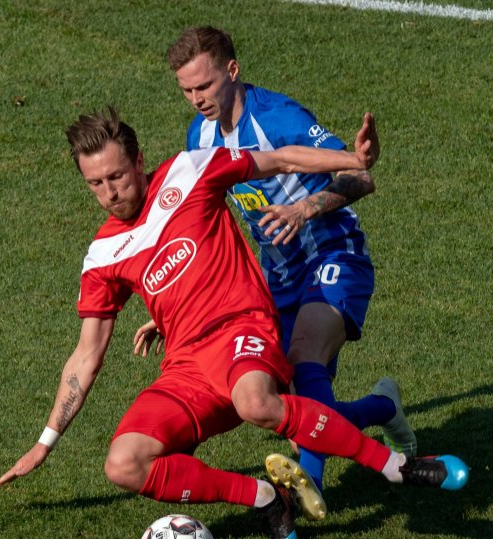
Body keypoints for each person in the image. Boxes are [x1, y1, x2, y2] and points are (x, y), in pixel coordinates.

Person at [0, 106, 467, 539]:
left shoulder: (188, 172)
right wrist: (44, 442)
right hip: (186, 368)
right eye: (95, 183)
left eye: (116, 176)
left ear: (138, 161)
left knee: (256, 402)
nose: (110, 191)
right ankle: (264, 498)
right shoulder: (103, 255)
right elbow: (86, 355)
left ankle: (397, 468)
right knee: (123, 464)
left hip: (244, 329)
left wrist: (354, 159)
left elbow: (278, 158)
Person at [148, 26, 418, 492]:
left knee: (304, 356)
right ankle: (382, 407)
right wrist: (172, 303)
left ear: (232, 70)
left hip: (333, 253)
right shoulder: (200, 135)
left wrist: (305, 207)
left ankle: (305, 493)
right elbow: (204, 224)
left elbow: (362, 178)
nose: (196, 98)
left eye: (205, 85)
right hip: (275, 277)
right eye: (187, 90)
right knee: (301, 410)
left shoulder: (279, 118)